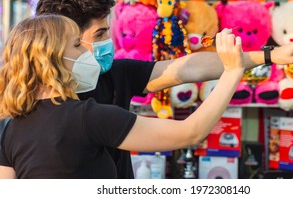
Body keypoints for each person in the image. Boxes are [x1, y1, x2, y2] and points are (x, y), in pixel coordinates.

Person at [34, 0, 293, 178]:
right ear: (65, 39)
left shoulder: (112, 74)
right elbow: (189, 134)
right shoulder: (59, 112)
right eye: (99, 35)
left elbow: (185, 68)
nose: (108, 43)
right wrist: (234, 72)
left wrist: (268, 55)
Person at [0, 15, 245, 178]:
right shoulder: (87, 117)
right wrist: (233, 71)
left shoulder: (10, 127)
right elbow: (191, 132)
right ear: (52, 57)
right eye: (77, 45)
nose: (87, 51)